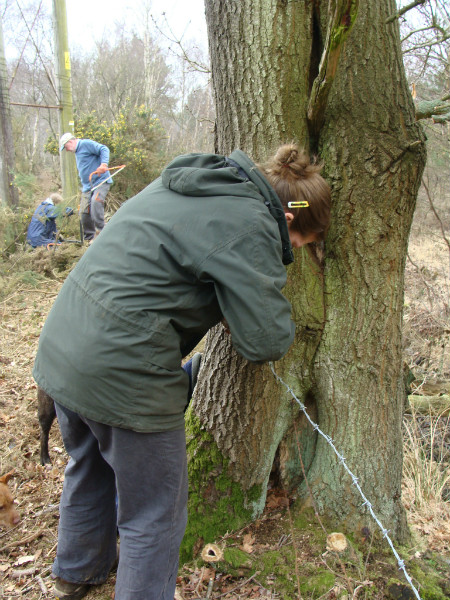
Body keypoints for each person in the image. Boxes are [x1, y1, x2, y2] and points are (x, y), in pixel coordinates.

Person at [32, 143, 331, 600]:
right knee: (154, 513)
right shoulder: (252, 224)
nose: (291, 253)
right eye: (296, 245)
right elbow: (265, 342)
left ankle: (75, 571)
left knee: (88, 464)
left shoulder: (191, 184)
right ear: (288, 218)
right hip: (121, 374)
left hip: (64, 348)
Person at [59, 133, 113, 241]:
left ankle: (103, 233)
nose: (67, 150)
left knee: (96, 202)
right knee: (83, 212)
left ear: (70, 142)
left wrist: (103, 164)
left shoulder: (85, 144)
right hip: (87, 187)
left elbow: (104, 149)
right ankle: (89, 239)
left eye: (66, 147)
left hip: (101, 182)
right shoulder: (77, 151)